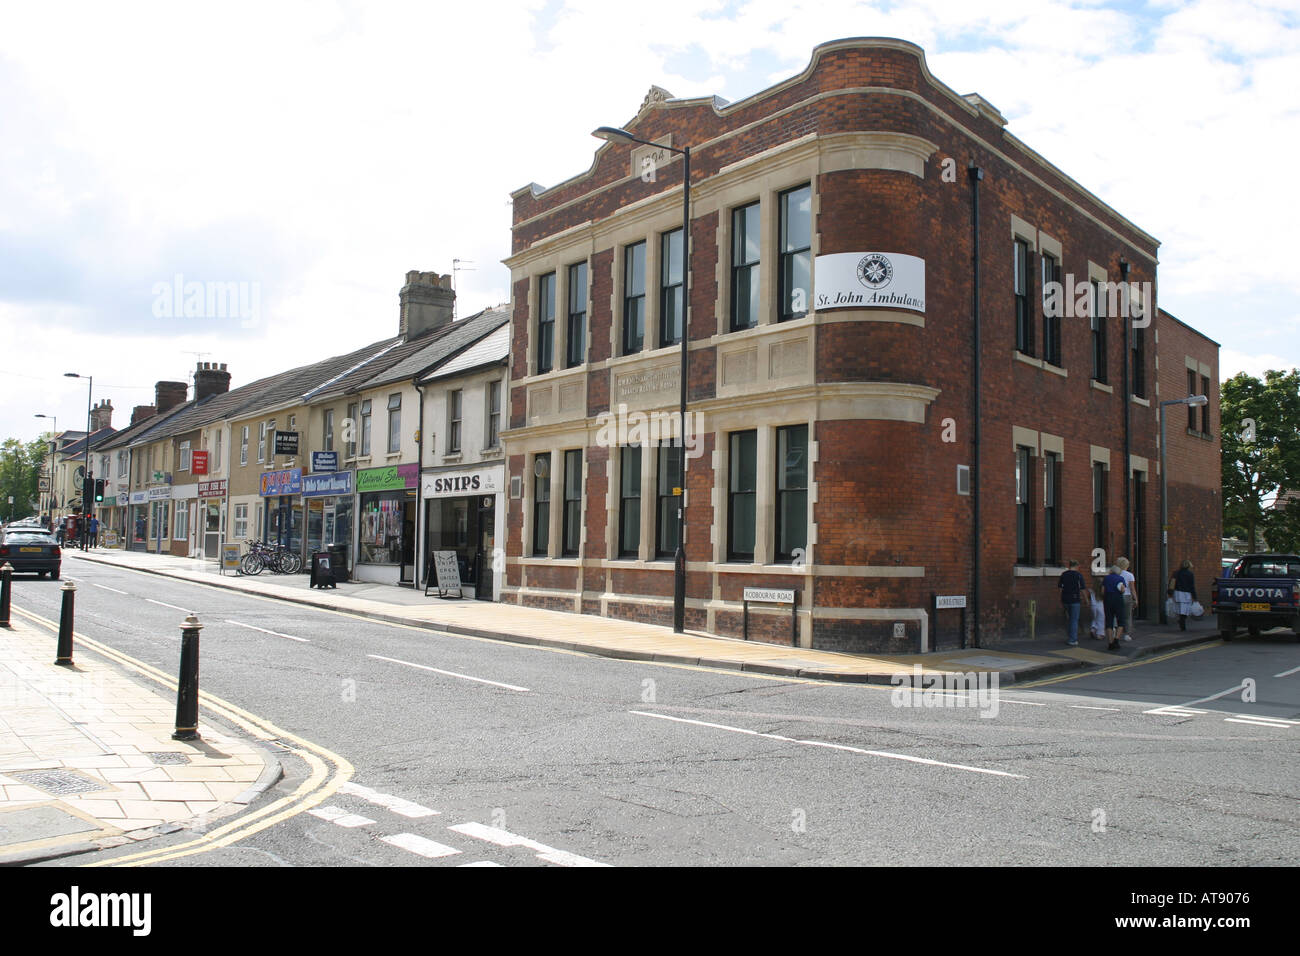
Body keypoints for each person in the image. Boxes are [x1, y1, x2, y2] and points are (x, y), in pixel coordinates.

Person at [1057, 559, 1086, 646]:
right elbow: (1082, 589)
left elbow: (1060, 588)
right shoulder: (1078, 575)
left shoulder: (1064, 574)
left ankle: (1070, 636)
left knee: (1069, 618)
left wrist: (1061, 598)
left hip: (1065, 599)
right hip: (1075, 599)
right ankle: (1072, 639)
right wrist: (1086, 599)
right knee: (1074, 619)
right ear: (1077, 566)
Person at [1102, 563, 1128, 651]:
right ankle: (1116, 640)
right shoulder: (1121, 578)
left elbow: (1102, 591)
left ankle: (1110, 643)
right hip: (1118, 600)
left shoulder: (1106, 578)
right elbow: (1123, 589)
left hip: (1108, 600)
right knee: (1121, 620)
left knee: (1109, 621)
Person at [1168, 560, 1198, 631]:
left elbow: (1171, 583)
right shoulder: (1190, 574)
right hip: (1186, 594)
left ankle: (1181, 620)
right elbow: (1192, 586)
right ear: (1189, 566)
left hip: (1177, 593)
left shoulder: (1176, 573)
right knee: (1186, 610)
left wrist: (1170, 592)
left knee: (1180, 609)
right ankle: (1182, 622)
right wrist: (1195, 596)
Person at [1116, 556, 1137, 641]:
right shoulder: (1130, 575)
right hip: (1127, 596)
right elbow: (1132, 589)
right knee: (1127, 616)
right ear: (1126, 565)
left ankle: (1115, 632)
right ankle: (1127, 634)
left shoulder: (1115, 574)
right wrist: (1136, 599)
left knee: (1116, 615)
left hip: (1117, 596)